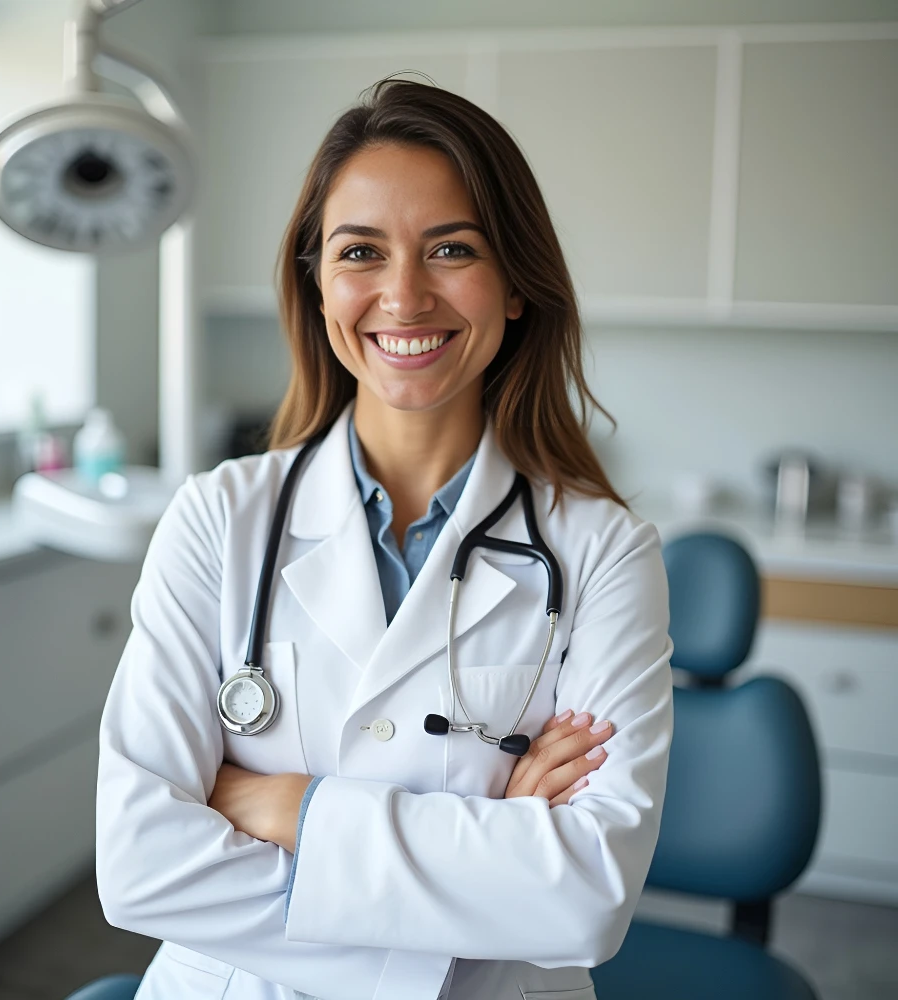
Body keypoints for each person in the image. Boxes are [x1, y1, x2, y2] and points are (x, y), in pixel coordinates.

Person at [96, 78, 674, 1000]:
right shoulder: (217, 518)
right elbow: (139, 866)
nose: (403, 296)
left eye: (452, 248)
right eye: (361, 251)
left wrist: (285, 804)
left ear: (517, 285)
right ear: (319, 283)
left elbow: (586, 901)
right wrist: (489, 845)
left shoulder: (603, 552)